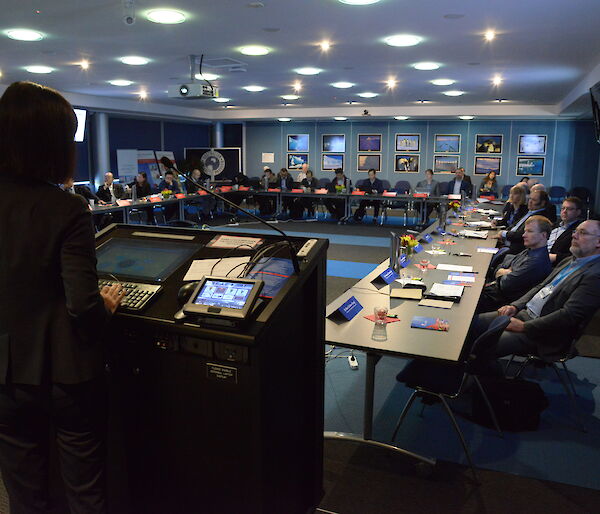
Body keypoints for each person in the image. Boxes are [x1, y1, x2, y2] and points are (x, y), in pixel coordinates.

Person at [0, 81, 124, 514]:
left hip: (6, 377)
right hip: (66, 376)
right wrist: (105, 308)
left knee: (24, 492)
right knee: (84, 490)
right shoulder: (66, 208)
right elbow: (82, 305)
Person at [472, 219, 600, 372]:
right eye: (575, 231)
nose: (574, 236)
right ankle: (484, 373)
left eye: (583, 233)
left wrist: (525, 327)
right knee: (472, 325)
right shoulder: (569, 261)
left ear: (598, 242)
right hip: (524, 314)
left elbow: (569, 315)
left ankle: (482, 384)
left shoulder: (595, 275)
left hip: (543, 333)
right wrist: (515, 305)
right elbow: (541, 287)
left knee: (482, 344)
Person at [478, 216, 552, 312]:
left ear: (543, 235)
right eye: (525, 231)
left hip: (498, 302)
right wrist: (506, 271)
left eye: (529, 231)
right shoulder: (529, 250)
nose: (523, 235)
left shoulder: (537, 261)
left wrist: (504, 271)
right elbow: (501, 265)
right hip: (493, 291)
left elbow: (505, 284)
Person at [495, 189, 550, 255]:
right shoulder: (530, 212)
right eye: (530, 199)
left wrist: (503, 233)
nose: (530, 202)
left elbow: (521, 235)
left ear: (543, 203)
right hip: (506, 241)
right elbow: (514, 226)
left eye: (534, 200)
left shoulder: (539, 217)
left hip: (514, 250)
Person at [548, 197, 583, 266]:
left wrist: (555, 257)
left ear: (578, 212)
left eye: (569, 209)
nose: (564, 211)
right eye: (563, 208)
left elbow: (576, 256)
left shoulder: (578, 231)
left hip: (554, 264)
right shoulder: (554, 225)